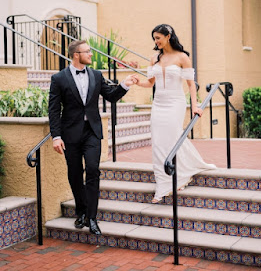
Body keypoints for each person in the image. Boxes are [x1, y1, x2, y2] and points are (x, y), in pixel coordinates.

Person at [48, 40, 135, 234]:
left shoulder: (96, 75)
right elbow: (53, 110)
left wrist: (124, 85)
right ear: (76, 55)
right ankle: (81, 211)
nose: (91, 54)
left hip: (92, 132)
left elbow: (111, 96)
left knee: (93, 170)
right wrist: (56, 136)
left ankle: (92, 217)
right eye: (87, 51)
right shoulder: (59, 78)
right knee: (75, 173)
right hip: (70, 133)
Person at [133, 24, 216, 203]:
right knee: (157, 143)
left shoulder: (182, 57)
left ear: (168, 36)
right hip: (158, 104)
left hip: (175, 103)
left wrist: (195, 106)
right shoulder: (154, 57)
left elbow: (191, 84)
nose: (156, 41)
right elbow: (150, 83)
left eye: (158, 38)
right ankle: (163, 184)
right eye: (154, 38)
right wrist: (137, 82)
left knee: (172, 138)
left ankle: (175, 179)